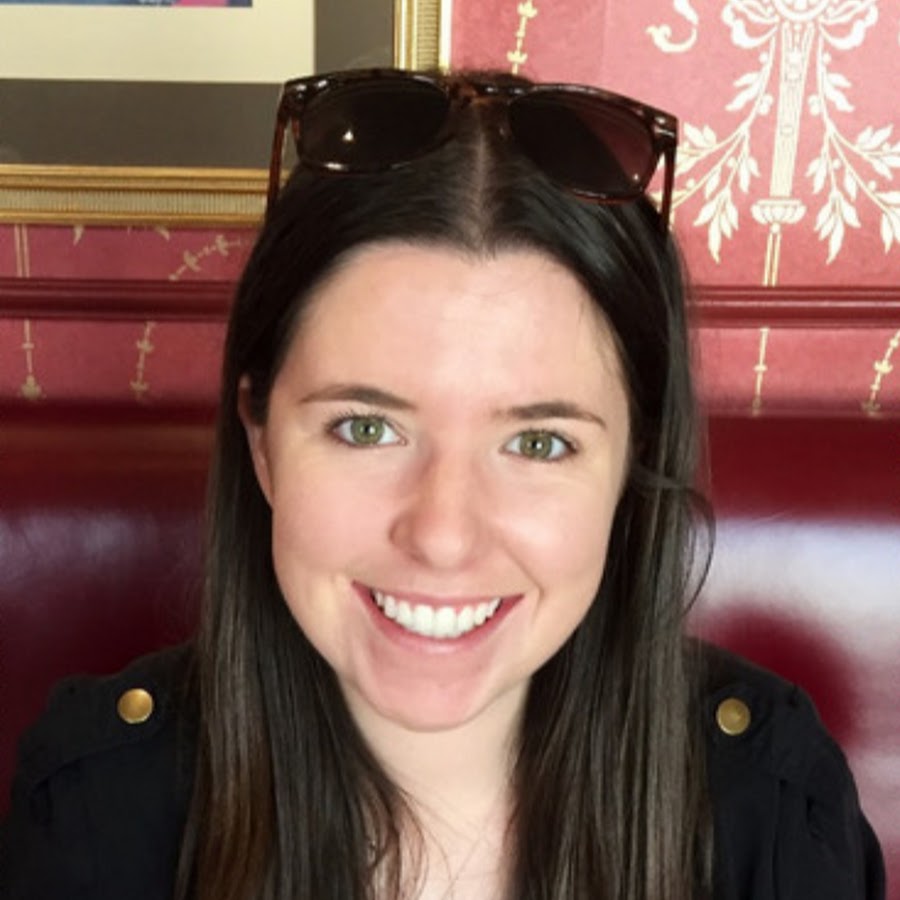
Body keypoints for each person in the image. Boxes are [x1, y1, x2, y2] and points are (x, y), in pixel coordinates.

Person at [0, 69, 884, 900]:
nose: (443, 535)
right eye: (366, 428)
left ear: (629, 466)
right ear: (261, 440)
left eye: (539, 442)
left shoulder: (772, 807)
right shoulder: (94, 809)